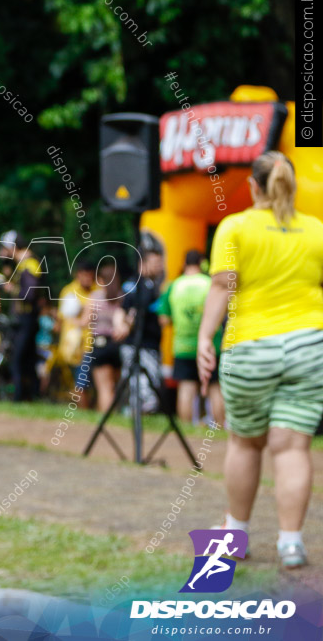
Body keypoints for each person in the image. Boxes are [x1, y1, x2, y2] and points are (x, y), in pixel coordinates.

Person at [198, 151, 323, 569]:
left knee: (245, 442)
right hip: (310, 347)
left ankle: (235, 535)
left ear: (253, 186)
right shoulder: (316, 230)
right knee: (292, 447)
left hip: (250, 348)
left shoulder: (235, 227)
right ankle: (291, 543)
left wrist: (204, 339)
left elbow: (221, 288)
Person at [158, 250, 223, 425]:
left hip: (183, 346)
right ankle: (219, 430)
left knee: (186, 389)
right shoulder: (210, 284)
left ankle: (187, 430)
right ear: (202, 263)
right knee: (215, 388)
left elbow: (163, 319)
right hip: (211, 344)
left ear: (185, 263)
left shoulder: (174, 285)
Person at [113, 249, 164, 415]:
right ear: (143, 264)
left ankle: (131, 410)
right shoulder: (143, 286)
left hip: (140, 344)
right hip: (142, 344)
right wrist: (125, 325)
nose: (160, 267)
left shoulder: (138, 284)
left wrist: (122, 324)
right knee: (144, 383)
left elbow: (122, 308)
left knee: (135, 380)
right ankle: (140, 412)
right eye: (156, 263)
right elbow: (132, 309)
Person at [0, 230, 44, 402]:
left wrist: (13, 290)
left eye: (5, 248)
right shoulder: (23, 264)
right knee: (28, 359)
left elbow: (30, 294)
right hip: (26, 319)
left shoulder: (30, 264)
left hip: (27, 319)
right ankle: (33, 395)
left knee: (18, 358)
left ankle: (19, 397)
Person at [84, 261, 123, 413]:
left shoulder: (96, 297)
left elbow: (85, 321)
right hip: (117, 345)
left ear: (101, 279)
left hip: (100, 345)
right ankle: (115, 416)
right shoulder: (121, 297)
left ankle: (105, 421)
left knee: (104, 388)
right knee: (114, 386)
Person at [57, 259, 95, 407]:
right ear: (77, 275)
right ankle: (83, 413)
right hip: (74, 347)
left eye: (90, 275)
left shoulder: (98, 291)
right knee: (81, 382)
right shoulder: (68, 291)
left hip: (91, 342)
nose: (87, 279)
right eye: (84, 275)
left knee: (90, 383)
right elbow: (62, 320)